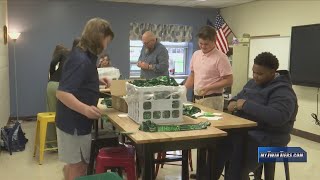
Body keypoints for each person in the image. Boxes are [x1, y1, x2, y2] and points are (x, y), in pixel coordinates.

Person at [214, 52, 298, 180]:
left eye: (260, 74)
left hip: (270, 136)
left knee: (238, 162)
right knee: (218, 145)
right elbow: (237, 98)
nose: (255, 76)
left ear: (272, 72)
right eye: (253, 72)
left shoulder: (283, 91)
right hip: (246, 131)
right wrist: (232, 103)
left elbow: (278, 117)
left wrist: (246, 105)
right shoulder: (252, 83)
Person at [55, 18, 114, 180]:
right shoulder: (80, 59)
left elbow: (80, 80)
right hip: (74, 123)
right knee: (78, 166)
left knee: (73, 164)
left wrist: (96, 81)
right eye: (106, 41)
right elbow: (62, 93)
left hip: (74, 122)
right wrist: (86, 109)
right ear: (99, 38)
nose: (106, 46)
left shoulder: (84, 55)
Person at [184, 25, 233, 111]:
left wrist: (209, 87)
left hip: (212, 99)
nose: (203, 46)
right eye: (200, 43)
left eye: (206, 44)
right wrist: (183, 89)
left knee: (211, 123)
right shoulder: (196, 54)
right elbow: (193, 74)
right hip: (197, 98)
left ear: (214, 41)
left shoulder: (221, 57)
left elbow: (229, 80)